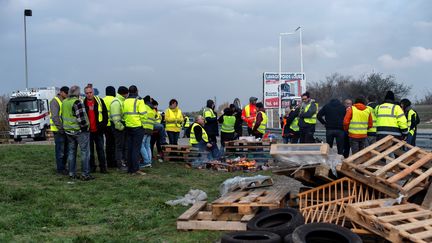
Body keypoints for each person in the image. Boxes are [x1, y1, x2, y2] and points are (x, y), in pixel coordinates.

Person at [62, 85, 94, 181]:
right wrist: (86, 128)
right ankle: (85, 174)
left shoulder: (64, 102)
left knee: (71, 152)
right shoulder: (77, 102)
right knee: (85, 152)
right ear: (78, 93)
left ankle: (71, 173)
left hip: (68, 131)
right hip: (79, 131)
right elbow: (82, 119)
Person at [84, 84, 109, 173]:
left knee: (101, 150)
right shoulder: (83, 103)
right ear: (85, 94)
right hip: (88, 131)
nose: (89, 94)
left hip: (98, 130)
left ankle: (103, 168)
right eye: (87, 93)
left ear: (93, 92)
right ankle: (92, 167)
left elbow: (105, 115)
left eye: (90, 92)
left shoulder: (99, 101)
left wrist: (103, 126)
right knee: (90, 152)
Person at [123, 85, 146, 175]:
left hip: (128, 127)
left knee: (130, 148)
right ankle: (136, 169)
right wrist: (143, 125)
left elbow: (124, 113)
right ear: (137, 91)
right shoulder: (139, 100)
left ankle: (130, 169)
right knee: (136, 149)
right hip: (138, 127)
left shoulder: (125, 101)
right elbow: (143, 114)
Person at [49, 86, 69, 175]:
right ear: (61, 92)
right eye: (66, 93)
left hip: (64, 130)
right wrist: (61, 128)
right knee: (60, 151)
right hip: (58, 130)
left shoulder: (64, 101)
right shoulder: (55, 101)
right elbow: (55, 117)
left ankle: (63, 167)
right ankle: (60, 169)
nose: (67, 95)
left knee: (65, 151)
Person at [109, 86, 129, 170]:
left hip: (120, 126)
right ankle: (120, 164)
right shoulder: (116, 102)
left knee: (123, 146)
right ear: (125, 93)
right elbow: (116, 118)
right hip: (118, 127)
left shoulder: (120, 101)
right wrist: (121, 127)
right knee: (119, 146)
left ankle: (123, 162)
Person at [140, 95, 156, 168]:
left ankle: (146, 161)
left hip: (144, 128)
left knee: (141, 145)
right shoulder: (152, 109)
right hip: (150, 129)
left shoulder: (144, 107)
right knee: (147, 145)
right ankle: (149, 161)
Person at [103, 86, 116, 168]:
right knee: (114, 144)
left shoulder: (103, 100)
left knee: (108, 144)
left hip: (105, 125)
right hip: (113, 124)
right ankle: (114, 161)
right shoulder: (115, 100)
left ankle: (108, 161)